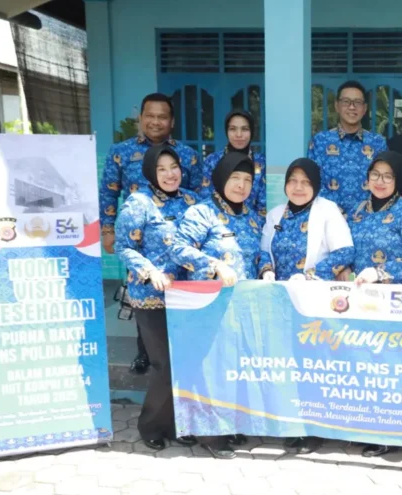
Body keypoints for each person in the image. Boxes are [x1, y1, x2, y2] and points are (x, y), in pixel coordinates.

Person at [171, 151, 274, 458]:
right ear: (220, 179)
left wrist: (266, 269)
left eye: (247, 180)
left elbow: (259, 253)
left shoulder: (253, 218)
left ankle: (231, 424)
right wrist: (213, 263)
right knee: (210, 367)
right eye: (235, 178)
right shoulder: (201, 213)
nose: (241, 185)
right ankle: (210, 436)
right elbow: (178, 248)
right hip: (208, 303)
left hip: (243, 306)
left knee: (233, 367)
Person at [101, 93, 203, 375]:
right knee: (143, 292)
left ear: (171, 122)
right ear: (141, 118)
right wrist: (108, 229)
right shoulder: (120, 152)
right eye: (150, 115)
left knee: (177, 295)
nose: (156, 121)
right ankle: (145, 352)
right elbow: (109, 192)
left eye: (162, 116)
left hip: (177, 239)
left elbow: (198, 196)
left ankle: (174, 352)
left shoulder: (188, 156)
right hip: (138, 238)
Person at [262, 158, 355, 455]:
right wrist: (266, 270)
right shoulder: (276, 214)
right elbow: (262, 250)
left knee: (314, 365)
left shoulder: (327, 210)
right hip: (281, 301)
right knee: (289, 363)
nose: (298, 187)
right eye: (293, 180)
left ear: (315, 185)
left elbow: (345, 252)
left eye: (305, 182)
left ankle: (314, 429)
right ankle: (291, 422)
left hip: (314, 301)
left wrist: (311, 275)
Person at [114, 143, 199, 452]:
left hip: (189, 296)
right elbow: (122, 247)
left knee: (187, 362)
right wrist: (149, 270)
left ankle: (182, 425)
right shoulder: (139, 202)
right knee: (164, 364)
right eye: (161, 169)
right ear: (151, 172)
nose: (169, 174)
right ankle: (151, 425)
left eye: (173, 167)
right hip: (151, 296)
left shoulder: (193, 200)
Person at [350, 150, 402, 457]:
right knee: (365, 363)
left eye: (387, 176)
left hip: (396, 302)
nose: (380, 181)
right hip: (361, 301)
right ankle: (365, 425)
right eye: (375, 175)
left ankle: (387, 432)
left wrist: (382, 273)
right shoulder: (357, 210)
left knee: (389, 367)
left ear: (397, 180)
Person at [308, 80, 388, 216]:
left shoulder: (377, 143)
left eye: (357, 102)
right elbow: (313, 180)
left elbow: (384, 181)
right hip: (329, 218)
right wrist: (335, 213)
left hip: (368, 221)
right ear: (337, 106)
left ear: (364, 108)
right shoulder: (321, 141)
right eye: (346, 101)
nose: (352, 107)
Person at [200, 109, 267, 217]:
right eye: (233, 129)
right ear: (226, 131)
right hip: (219, 223)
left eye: (244, 129)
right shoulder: (213, 160)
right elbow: (206, 196)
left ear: (252, 132)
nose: (239, 134)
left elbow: (263, 204)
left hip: (252, 225)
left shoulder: (261, 162)